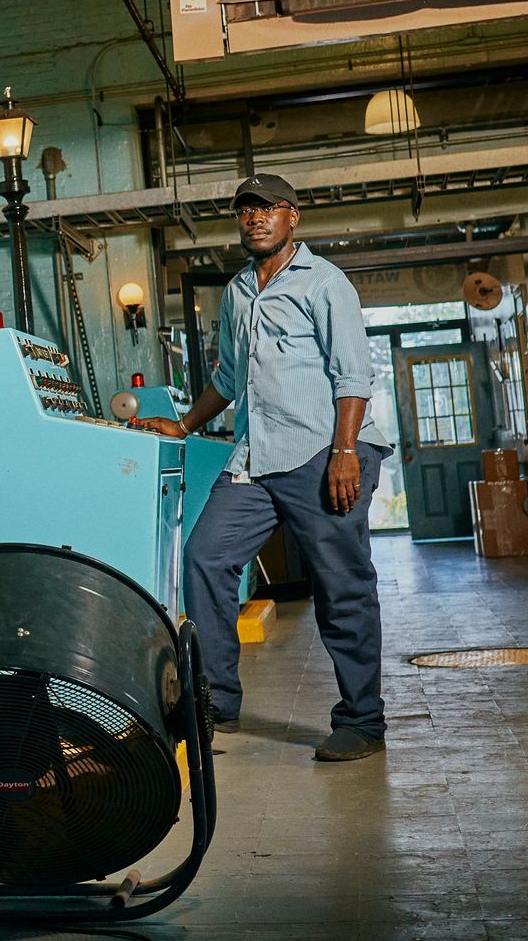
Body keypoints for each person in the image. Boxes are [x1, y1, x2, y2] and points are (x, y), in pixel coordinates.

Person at [131, 173, 390, 762]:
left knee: (340, 586)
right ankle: (216, 699)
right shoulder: (238, 290)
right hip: (257, 457)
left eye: (266, 208)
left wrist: (345, 452)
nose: (254, 219)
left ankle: (362, 720)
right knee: (205, 555)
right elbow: (228, 377)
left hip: (325, 452)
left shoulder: (326, 283)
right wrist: (186, 425)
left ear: (291, 216)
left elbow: (353, 377)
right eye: (245, 211)